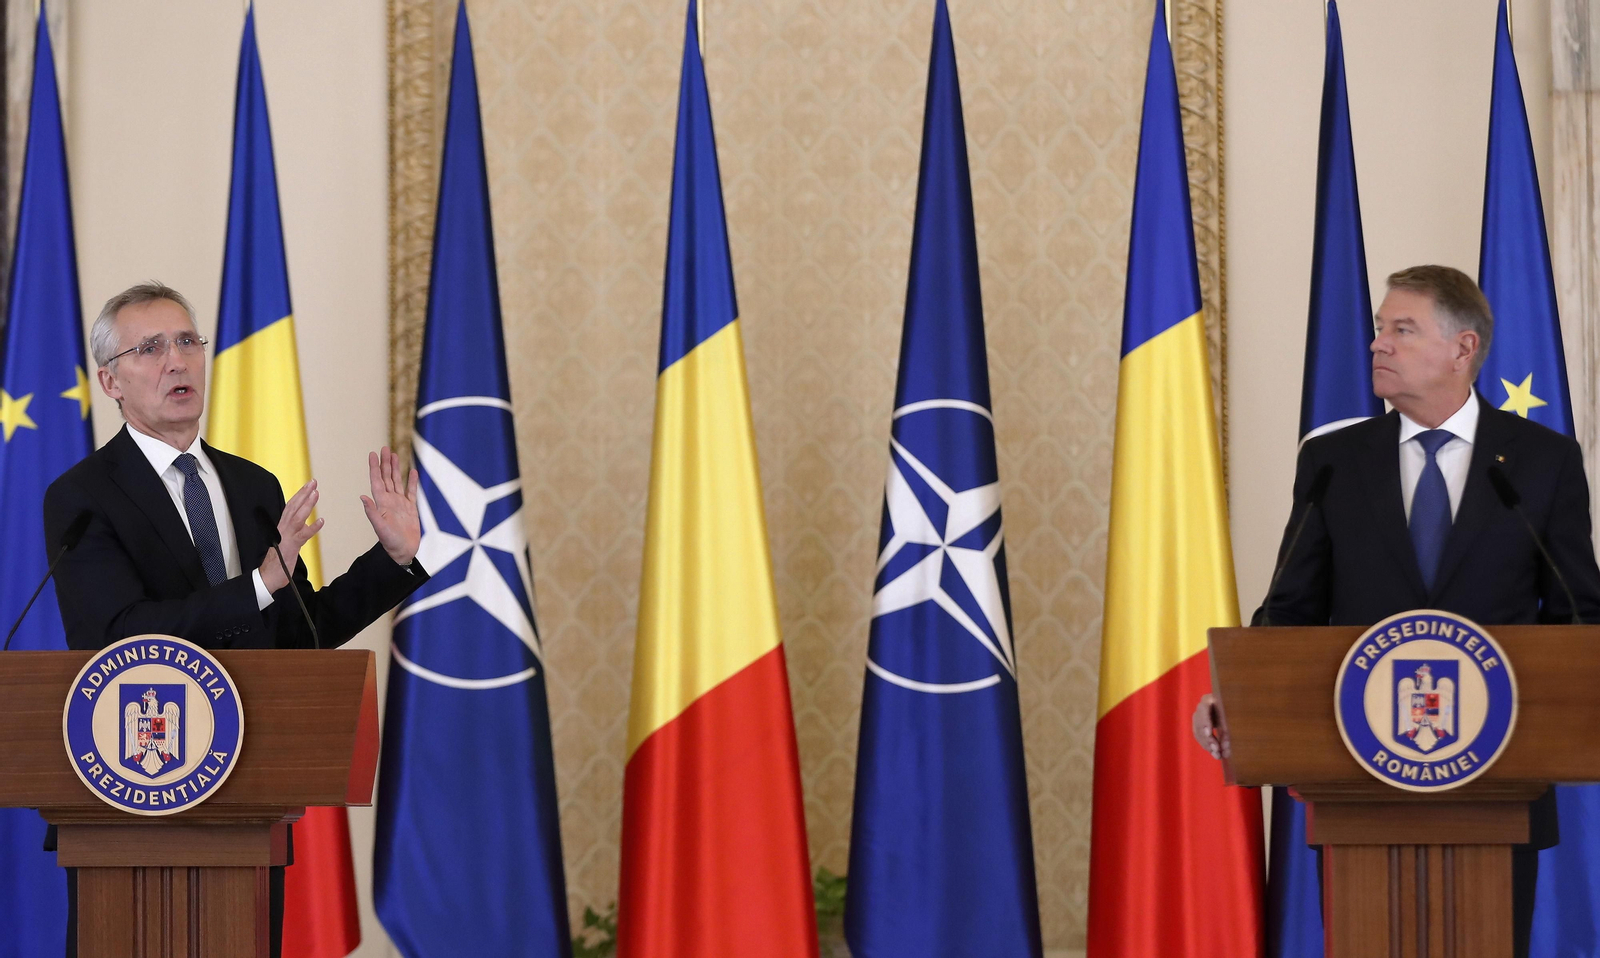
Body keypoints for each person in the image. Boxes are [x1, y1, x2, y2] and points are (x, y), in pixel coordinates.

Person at [1192, 264, 1600, 956]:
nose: (1378, 343)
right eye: (1381, 329)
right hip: (1360, 778)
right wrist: (1238, 694)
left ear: (1462, 348)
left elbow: (1576, 610)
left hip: (1498, 777)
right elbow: (1292, 603)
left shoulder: (1540, 460)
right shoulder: (1333, 460)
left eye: (1401, 329)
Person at [42, 281, 431, 958]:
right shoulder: (81, 496)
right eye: (151, 348)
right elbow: (116, 635)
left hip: (247, 796)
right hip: (133, 794)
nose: (177, 361)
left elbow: (298, 631)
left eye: (188, 342)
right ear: (110, 381)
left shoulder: (252, 487)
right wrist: (257, 585)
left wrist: (392, 560)